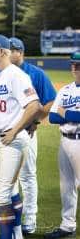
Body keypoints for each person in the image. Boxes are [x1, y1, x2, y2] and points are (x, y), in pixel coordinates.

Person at [0, 34, 41, 239]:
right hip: (0, 139)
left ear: (1, 51)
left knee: (1, 196)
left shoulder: (16, 75)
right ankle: (17, 234)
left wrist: (15, 130)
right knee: (12, 189)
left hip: (12, 142)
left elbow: (34, 105)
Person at [9, 37, 56, 235]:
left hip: (27, 133)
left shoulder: (36, 74)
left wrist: (35, 121)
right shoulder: (1, 74)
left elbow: (49, 100)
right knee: (8, 178)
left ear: (20, 52)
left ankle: (30, 218)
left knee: (27, 175)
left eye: (10, 50)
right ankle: (12, 215)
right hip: (6, 134)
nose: (6, 53)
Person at [44, 51, 80, 239]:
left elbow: (65, 114)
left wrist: (66, 113)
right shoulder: (65, 89)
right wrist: (70, 114)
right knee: (66, 186)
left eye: (78, 65)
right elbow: (52, 117)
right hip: (65, 141)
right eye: (73, 64)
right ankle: (68, 225)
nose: (74, 68)